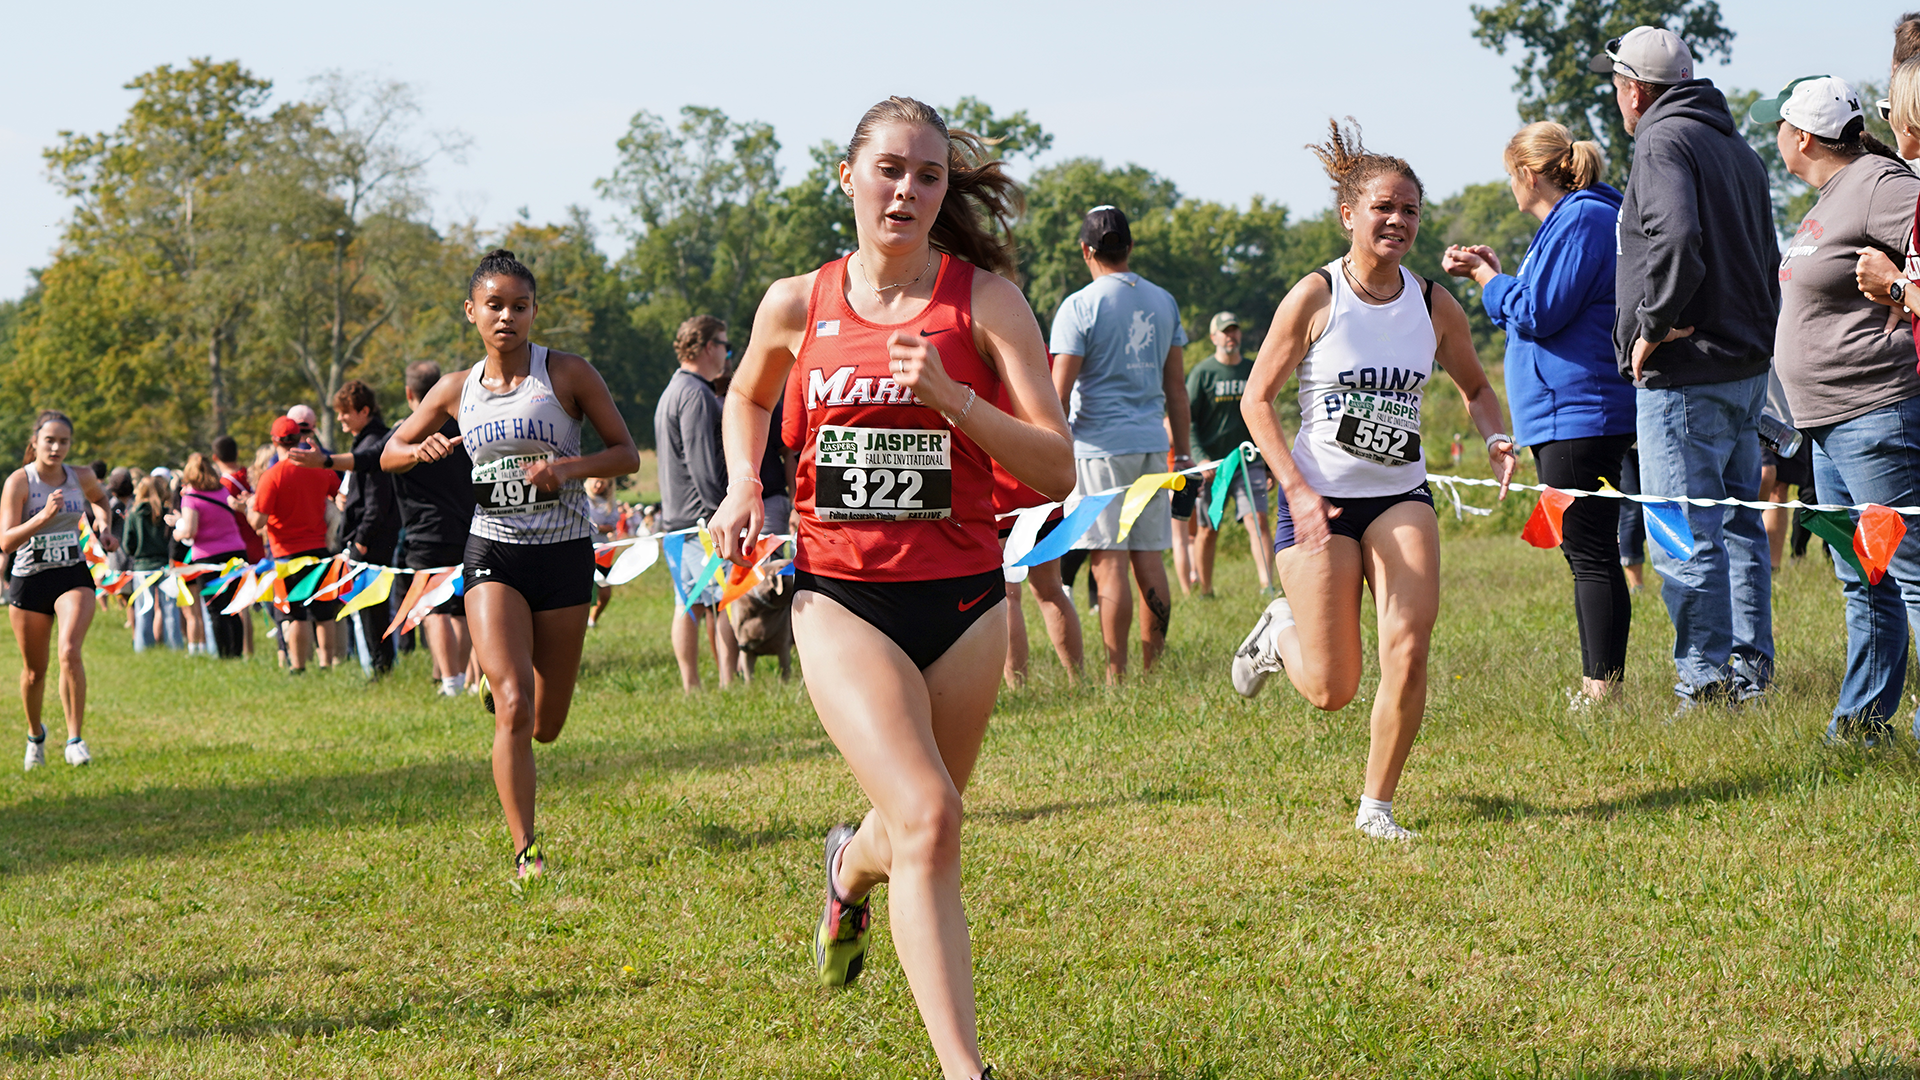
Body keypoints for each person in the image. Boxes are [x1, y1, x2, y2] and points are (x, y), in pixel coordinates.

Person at [708, 96, 1072, 1080]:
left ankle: (844, 866)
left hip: (963, 601)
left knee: (916, 825)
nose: (907, 190)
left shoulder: (984, 302)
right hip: (840, 597)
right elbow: (747, 392)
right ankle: (967, 1070)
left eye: (929, 175)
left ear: (944, 190)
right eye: (890, 170)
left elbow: (1057, 471)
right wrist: (746, 481)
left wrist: (951, 398)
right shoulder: (800, 302)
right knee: (930, 818)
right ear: (849, 178)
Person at [1230, 121, 1520, 840]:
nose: (1398, 221)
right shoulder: (1315, 296)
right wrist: (1295, 488)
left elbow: (1477, 389)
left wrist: (1498, 435)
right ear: (1349, 215)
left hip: (1399, 494)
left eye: (1411, 210)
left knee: (1410, 642)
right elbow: (1254, 400)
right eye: (1384, 207)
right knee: (1333, 689)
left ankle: (1377, 808)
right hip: (1318, 499)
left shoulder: (1431, 303)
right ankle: (1279, 630)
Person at [382, 248, 639, 880]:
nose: (507, 318)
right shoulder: (455, 389)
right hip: (491, 550)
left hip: (563, 554)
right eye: (494, 306)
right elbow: (390, 452)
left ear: (532, 313)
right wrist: (423, 450)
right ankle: (527, 850)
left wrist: (567, 469)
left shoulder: (569, 373)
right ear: (471, 312)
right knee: (515, 704)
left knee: (547, 724)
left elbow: (627, 454)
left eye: (519, 306)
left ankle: (506, 700)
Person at [1591, 26, 1780, 711]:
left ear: (1634, 91)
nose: (1617, 99)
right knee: (1738, 528)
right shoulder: (1741, 150)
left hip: (1684, 375)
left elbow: (1674, 235)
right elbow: (1768, 260)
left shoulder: (1662, 139)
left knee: (1677, 531)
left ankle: (1704, 685)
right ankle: (1749, 675)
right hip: (1744, 368)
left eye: (1616, 87)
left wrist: (1651, 324)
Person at [1441, 121, 1635, 703]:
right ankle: (1601, 685)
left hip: (1580, 411)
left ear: (1528, 174)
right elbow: (1538, 302)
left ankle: (1601, 690)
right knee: (1588, 549)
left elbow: (1540, 311)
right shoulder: (1572, 222)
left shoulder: (1580, 219)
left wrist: (1485, 278)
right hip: (1570, 412)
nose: (1510, 187)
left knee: (1589, 550)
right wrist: (1504, 273)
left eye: (1509, 176)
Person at [1760, 75, 1920, 740]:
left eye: (1778, 126)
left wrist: (1901, 285)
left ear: (1800, 136)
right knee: (1864, 577)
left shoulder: (1883, 183)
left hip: (1876, 412)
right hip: (1826, 425)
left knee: (1911, 575)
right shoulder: (1834, 195)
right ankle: (1859, 727)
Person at [1050, 205, 1192, 682]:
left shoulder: (1079, 306)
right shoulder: (1164, 302)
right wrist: (1185, 453)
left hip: (1098, 448)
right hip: (1153, 444)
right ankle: (1154, 671)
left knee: (1108, 560)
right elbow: (1177, 388)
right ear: (1129, 247)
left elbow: (1058, 390)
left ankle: (1117, 676)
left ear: (1085, 251)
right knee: (1148, 556)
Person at [291, 362, 477, 695]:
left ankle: (451, 682)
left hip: (426, 534)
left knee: (432, 607)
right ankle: (465, 678)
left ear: (409, 394)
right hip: (467, 529)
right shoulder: (464, 427)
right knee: (461, 607)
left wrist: (325, 462)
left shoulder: (406, 433)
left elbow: (369, 458)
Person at [2, 411, 118, 769]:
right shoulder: (20, 482)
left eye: (63, 441)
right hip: (30, 579)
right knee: (35, 672)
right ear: (35, 441)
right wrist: (41, 519)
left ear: (71, 444)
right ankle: (36, 735)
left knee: (70, 651)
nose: (56, 447)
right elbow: (5, 542)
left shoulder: (80, 476)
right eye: (49, 440)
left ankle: (75, 739)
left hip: (71, 572)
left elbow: (100, 499)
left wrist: (103, 524)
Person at [655, 314, 741, 691]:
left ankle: (692, 686)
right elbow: (703, 463)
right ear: (708, 347)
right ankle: (724, 682)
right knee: (724, 599)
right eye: (724, 344)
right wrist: (722, 510)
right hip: (701, 521)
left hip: (677, 518)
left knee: (686, 604)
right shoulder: (696, 394)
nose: (727, 353)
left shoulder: (674, 388)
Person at [1186, 311, 1276, 596]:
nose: (1231, 336)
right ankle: (1206, 590)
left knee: (1258, 519)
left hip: (1249, 462)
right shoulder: (1202, 373)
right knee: (1209, 527)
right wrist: (1200, 459)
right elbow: (1188, 421)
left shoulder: (1253, 369)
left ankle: (1267, 585)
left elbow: (1266, 414)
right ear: (1213, 337)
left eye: (1234, 330)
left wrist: (1270, 464)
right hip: (1213, 466)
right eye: (1225, 331)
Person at [249, 417, 342, 674]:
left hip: (286, 555)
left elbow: (258, 521)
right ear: (300, 438)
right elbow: (339, 493)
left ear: (274, 441)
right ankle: (326, 665)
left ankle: (298, 667)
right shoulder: (319, 468)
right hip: (320, 551)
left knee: (294, 614)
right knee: (324, 611)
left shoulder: (272, 476)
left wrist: (249, 509)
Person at [330, 380, 400, 678]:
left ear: (365, 410)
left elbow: (378, 501)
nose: (340, 418)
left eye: (345, 412)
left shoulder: (375, 445)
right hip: (367, 536)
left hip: (372, 541)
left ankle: (381, 670)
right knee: (367, 609)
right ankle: (377, 666)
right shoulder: (364, 441)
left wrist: (361, 540)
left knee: (373, 611)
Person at [173, 453, 250, 659]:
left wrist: (176, 530)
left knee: (216, 608)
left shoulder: (191, 498)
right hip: (236, 552)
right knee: (234, 606)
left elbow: (189, 531)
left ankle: (225, 655)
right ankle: (237, 653)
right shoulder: (222, 491)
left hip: (208, 557)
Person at [212, 435, 265, 658]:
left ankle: (247, 650)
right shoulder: (251, 475)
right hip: (262, 540)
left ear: (215, 457)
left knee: (240, 603)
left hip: (241, 545)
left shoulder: (224, 485)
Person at [123, 474, 180, 652]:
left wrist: (136, 554)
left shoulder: (134, 513)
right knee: (171, 610)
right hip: (166, 566)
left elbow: (127, 544)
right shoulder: (167, 513)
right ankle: (175, 646)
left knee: (143, 610)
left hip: (142, 567)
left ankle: (142, 647)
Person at [585, 475, 619, 628]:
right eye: (596, 481)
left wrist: (595, 527)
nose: (598, 485)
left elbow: (611, 526)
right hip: (583, 551)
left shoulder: (609, 504)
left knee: (605, 592)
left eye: (602, 482)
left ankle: (592, 620)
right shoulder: (581, 499)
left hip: (602, 553)